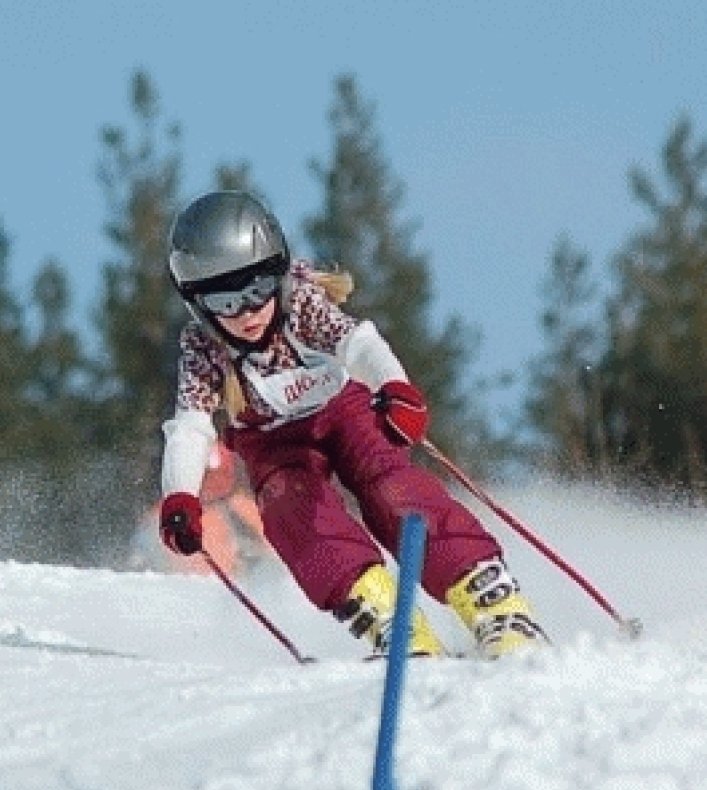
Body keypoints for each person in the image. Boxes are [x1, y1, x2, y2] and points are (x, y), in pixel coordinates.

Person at [156, 190, 548, 659]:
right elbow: (191, 427)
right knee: (293, 513)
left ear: (279, 273)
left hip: (343, 409)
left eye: (257, 289)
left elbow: (357, 342)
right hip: (273, 443)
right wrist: (180, 495)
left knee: (392, 489)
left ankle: (492, 603)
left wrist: (396, 389)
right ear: (197, 303)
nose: (246, 312)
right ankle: (390, 622)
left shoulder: (300, 301)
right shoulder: (204, 347)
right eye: (225, 299)